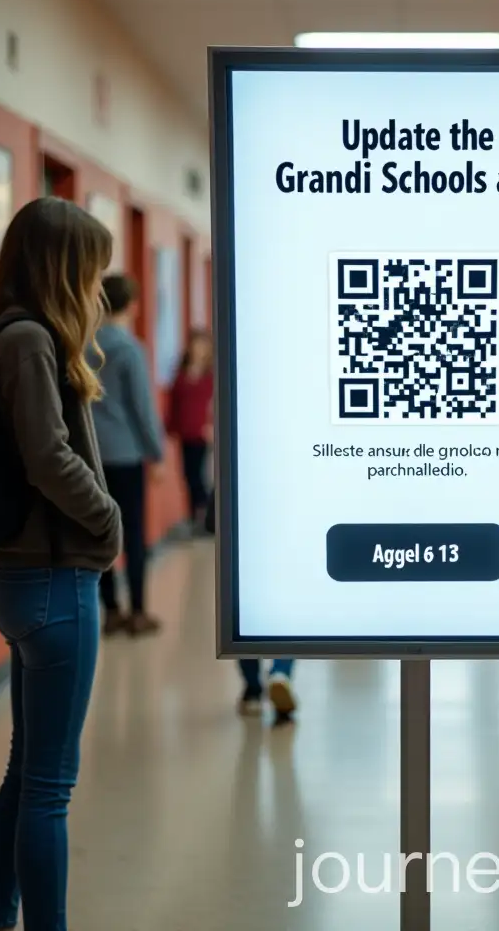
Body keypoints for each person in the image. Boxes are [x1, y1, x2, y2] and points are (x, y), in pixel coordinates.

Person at [0, 196, 121, 931]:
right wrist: (108, 515)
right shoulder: (30, 340)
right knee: (50, 787)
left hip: (26, 579)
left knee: (27, 773)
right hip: (54, 581)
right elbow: (48, 457)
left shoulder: (10, 332)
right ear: (65, 267)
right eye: (93, 272)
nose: (98, 288)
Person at [89, 274, 165, 636]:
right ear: (132, 305)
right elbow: (141, 408)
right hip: (125, 456)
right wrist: (157, 454)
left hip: (89, 456)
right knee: (133, 534)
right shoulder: (129, 348)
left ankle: (111, 611)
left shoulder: (83, 345)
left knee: (100, 534)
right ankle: (138, 611)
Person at [204, 490, 298, 720]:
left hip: (241, 539)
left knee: (243, 616)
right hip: (281, 540)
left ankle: (253, 689)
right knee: (284, 612)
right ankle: (280, 672)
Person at [167, 329, 214, 530]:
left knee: (201, 477)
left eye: (202, 345)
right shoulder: (181, 373)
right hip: (185, 434)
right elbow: (174, 403)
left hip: (204, 435)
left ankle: (205, 519)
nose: (198, 349)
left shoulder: (211, 375)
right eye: (195, 344)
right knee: (188, 475)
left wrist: (213, 427)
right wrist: (170, 427)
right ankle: (195, 517)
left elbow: (216, 404)